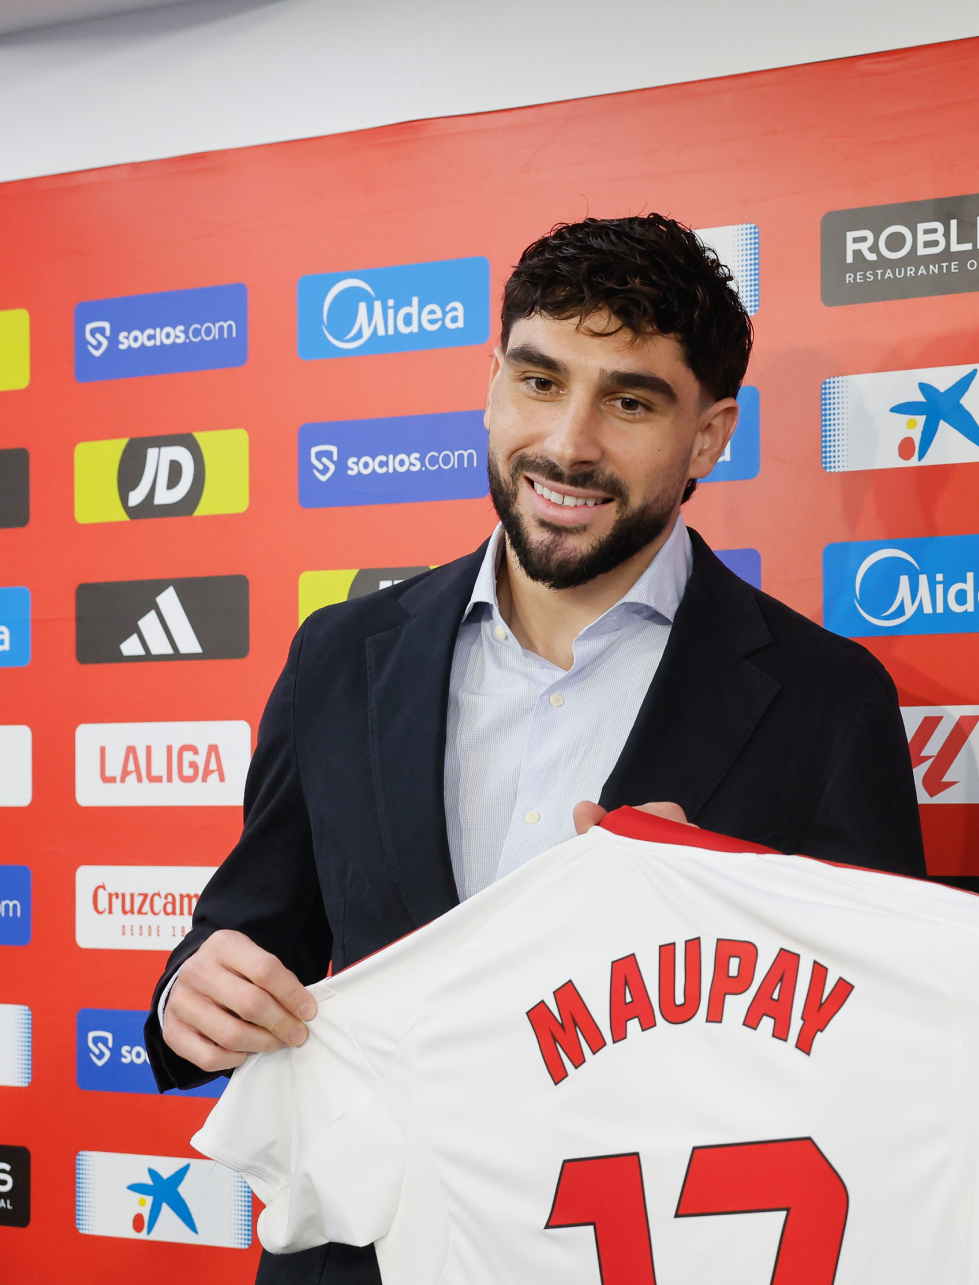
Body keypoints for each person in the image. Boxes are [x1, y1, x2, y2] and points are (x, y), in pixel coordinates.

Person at [145, 214, 925, 1284]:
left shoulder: (828, 700)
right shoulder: (341, 655)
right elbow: (243, 939)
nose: (568, 444)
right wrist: (194, 997)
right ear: (492, 386)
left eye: (631, 401)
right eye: (540, 381)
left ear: (710, 436)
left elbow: (884, 1061)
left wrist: (725, 918)